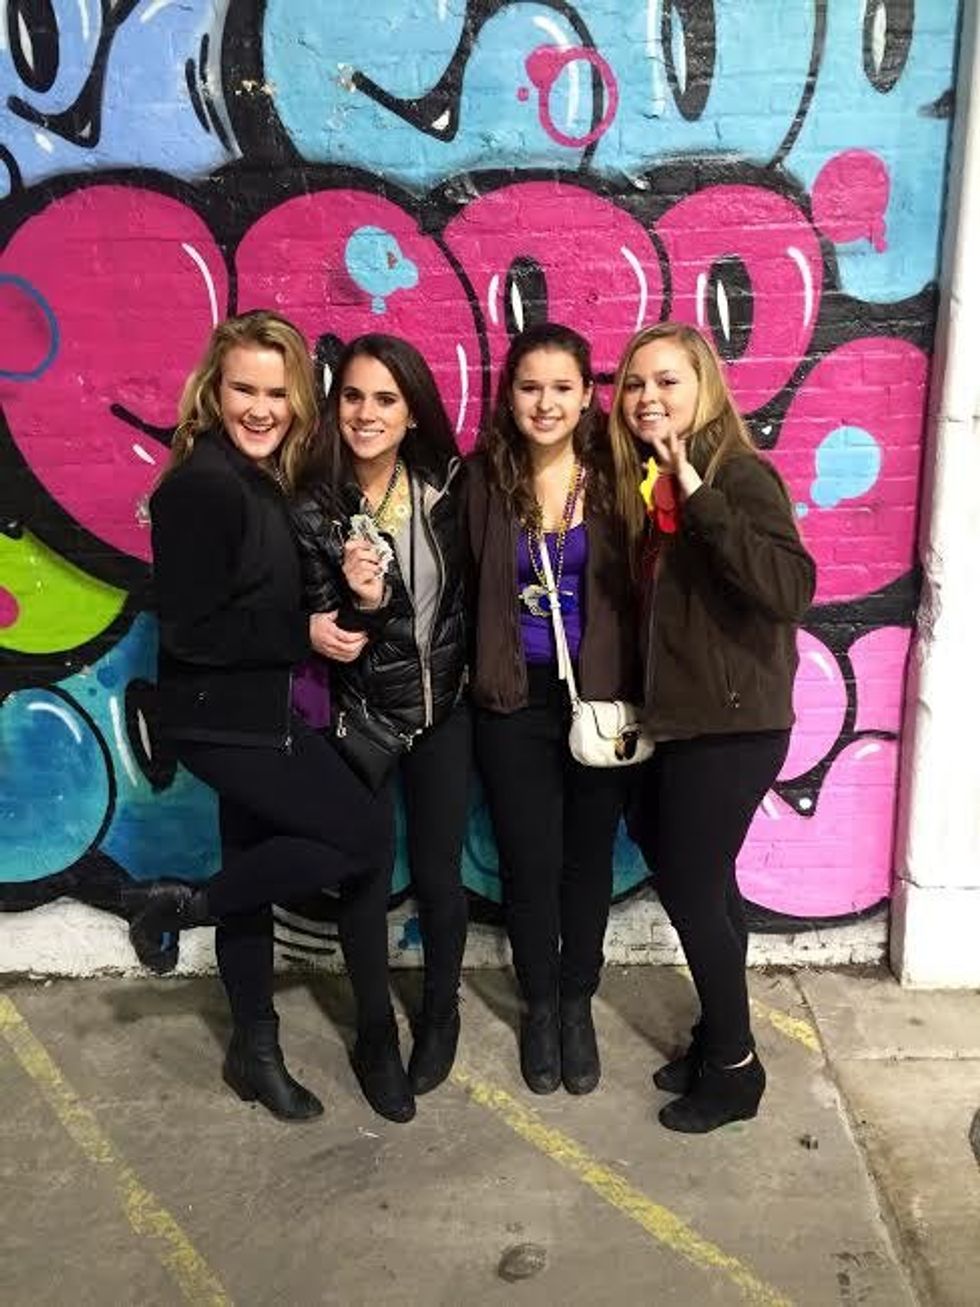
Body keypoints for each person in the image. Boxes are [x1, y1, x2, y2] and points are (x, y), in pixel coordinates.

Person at [126, 310, 393, 1123]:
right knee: (362, 835)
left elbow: (256, 594)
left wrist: (345, 598)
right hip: (223, 721)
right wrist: (300, 633)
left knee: (254, 861)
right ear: (215, 390)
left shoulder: (255, 476)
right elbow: (192, 631)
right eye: (245, 389)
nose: (262, 408)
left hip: (253, 709)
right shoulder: (202, 486)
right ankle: (185, 903)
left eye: (278, 393)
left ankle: (256, 1050)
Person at [609, 322, 816, 1133]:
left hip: (734, 725)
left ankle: (734, 1068)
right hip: (685, 721)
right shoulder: (650, 480)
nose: (648, 397)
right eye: (635, 383)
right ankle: (716, 1036)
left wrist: (702, 495)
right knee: (701, 879)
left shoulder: (738, 474)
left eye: (667, 380)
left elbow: (789, 587)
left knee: (694, 888)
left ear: (704, 387)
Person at [292, 334, 470, 1118]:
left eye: (386, 399)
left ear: (412, 411)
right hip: (362, 717)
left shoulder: (445, 486)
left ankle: (441, 1011)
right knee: (365, 876)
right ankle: (373, 1032)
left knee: (439, 873)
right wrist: (343, 612)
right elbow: (314, 619)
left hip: (446, 711)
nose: (367, 414)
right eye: (354, 397)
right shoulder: (314, 506)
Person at [467, 322, 640, 1096]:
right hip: (511, 696)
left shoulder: (615, 477)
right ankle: (540, 1003)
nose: (546, 403)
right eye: (530, 386)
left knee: (587, 858)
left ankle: (577, 1003)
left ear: (587, 394)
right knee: (528, 859)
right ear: (509, 395)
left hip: (598, 697)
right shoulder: (485, 479)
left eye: (562, 387)